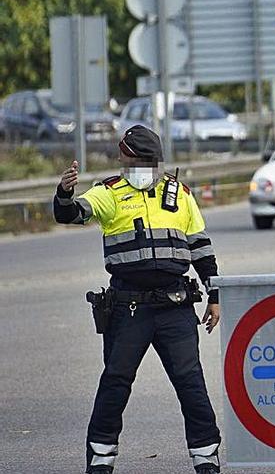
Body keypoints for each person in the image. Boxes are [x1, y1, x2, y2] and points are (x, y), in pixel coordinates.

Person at [53, 125, 222, 474]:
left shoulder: (180, 194)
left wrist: (214, 295)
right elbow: (71, 214)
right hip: (129, 308)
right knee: (115, 382)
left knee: (191, 384)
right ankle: (101, 460)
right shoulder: (109, 193)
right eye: (125, 158)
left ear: (150, 161)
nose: (124, 162)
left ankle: (206, 458)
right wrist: (64, 194)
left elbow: (201, 249)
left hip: (176, 307)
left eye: (131, 158)